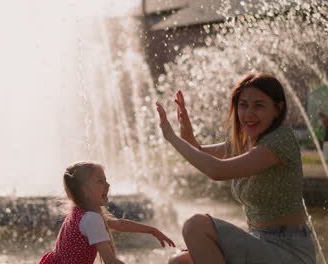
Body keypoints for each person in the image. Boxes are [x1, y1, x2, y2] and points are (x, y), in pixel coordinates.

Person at [155, 73, 316, 264]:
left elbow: (217, 171)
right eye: (243, 105)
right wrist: (185, 131)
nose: (248, 114)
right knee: (179, 262)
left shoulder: (280, 139)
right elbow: (199, 153)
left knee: (196, 226)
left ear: (277, 109)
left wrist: (172, 138)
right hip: (259, 240)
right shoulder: (245, 141)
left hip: (289, 250)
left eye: (259, 105)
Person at [40, 161, 175, 264]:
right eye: (100, 181)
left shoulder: (80, 212)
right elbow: (110, 261)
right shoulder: (91, 219)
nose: (108, 185)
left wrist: (152, 230)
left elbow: (119, 224)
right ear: (84, 191)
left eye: (105, 180)